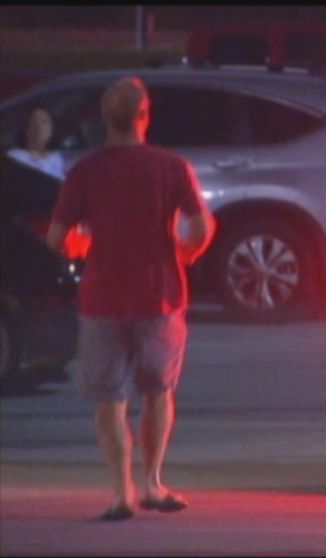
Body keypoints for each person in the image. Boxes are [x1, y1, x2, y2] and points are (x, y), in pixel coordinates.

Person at [46, 77, 215, 522]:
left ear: (105, 119)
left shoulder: (85, 171)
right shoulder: (172, 167)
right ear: (144, 116)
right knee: (158, 392)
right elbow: (200, 227)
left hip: (102, 298)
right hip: (160, 295)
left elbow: (57, 238)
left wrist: (83, 247)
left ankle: (121, 492)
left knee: (109, 401)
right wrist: (184, 254)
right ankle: (152, 483)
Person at [6, 107, 65, 179]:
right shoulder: (15, 156)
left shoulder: (57, 158)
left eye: (44, 122)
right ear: (26, 128)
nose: (39, 127)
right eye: (33, 122)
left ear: (52, 129)